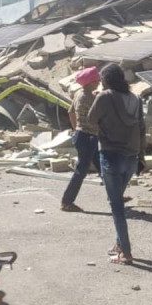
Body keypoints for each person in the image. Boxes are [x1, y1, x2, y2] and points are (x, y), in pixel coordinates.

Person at [88, 63, 146, 265]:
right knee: (118, 201)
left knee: (116, 206)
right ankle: (119, 244)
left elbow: (91, 119)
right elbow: (142, 129)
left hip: (111, 155)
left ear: (107, 80)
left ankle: (126, 253)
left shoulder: (105, 97)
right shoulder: (136, 99)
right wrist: (141, 157)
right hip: (131, 157)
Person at [61, 66, 101, 212]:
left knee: (103, 167)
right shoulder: (90, 97)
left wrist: (76, 128)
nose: (99, 82)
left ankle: (116, 195)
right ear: (91, 82)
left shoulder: (78, 94)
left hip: (81, 134)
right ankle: (67, 201)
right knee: (81, 170)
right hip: (89, 137)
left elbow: (70, 111)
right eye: (97, 79)